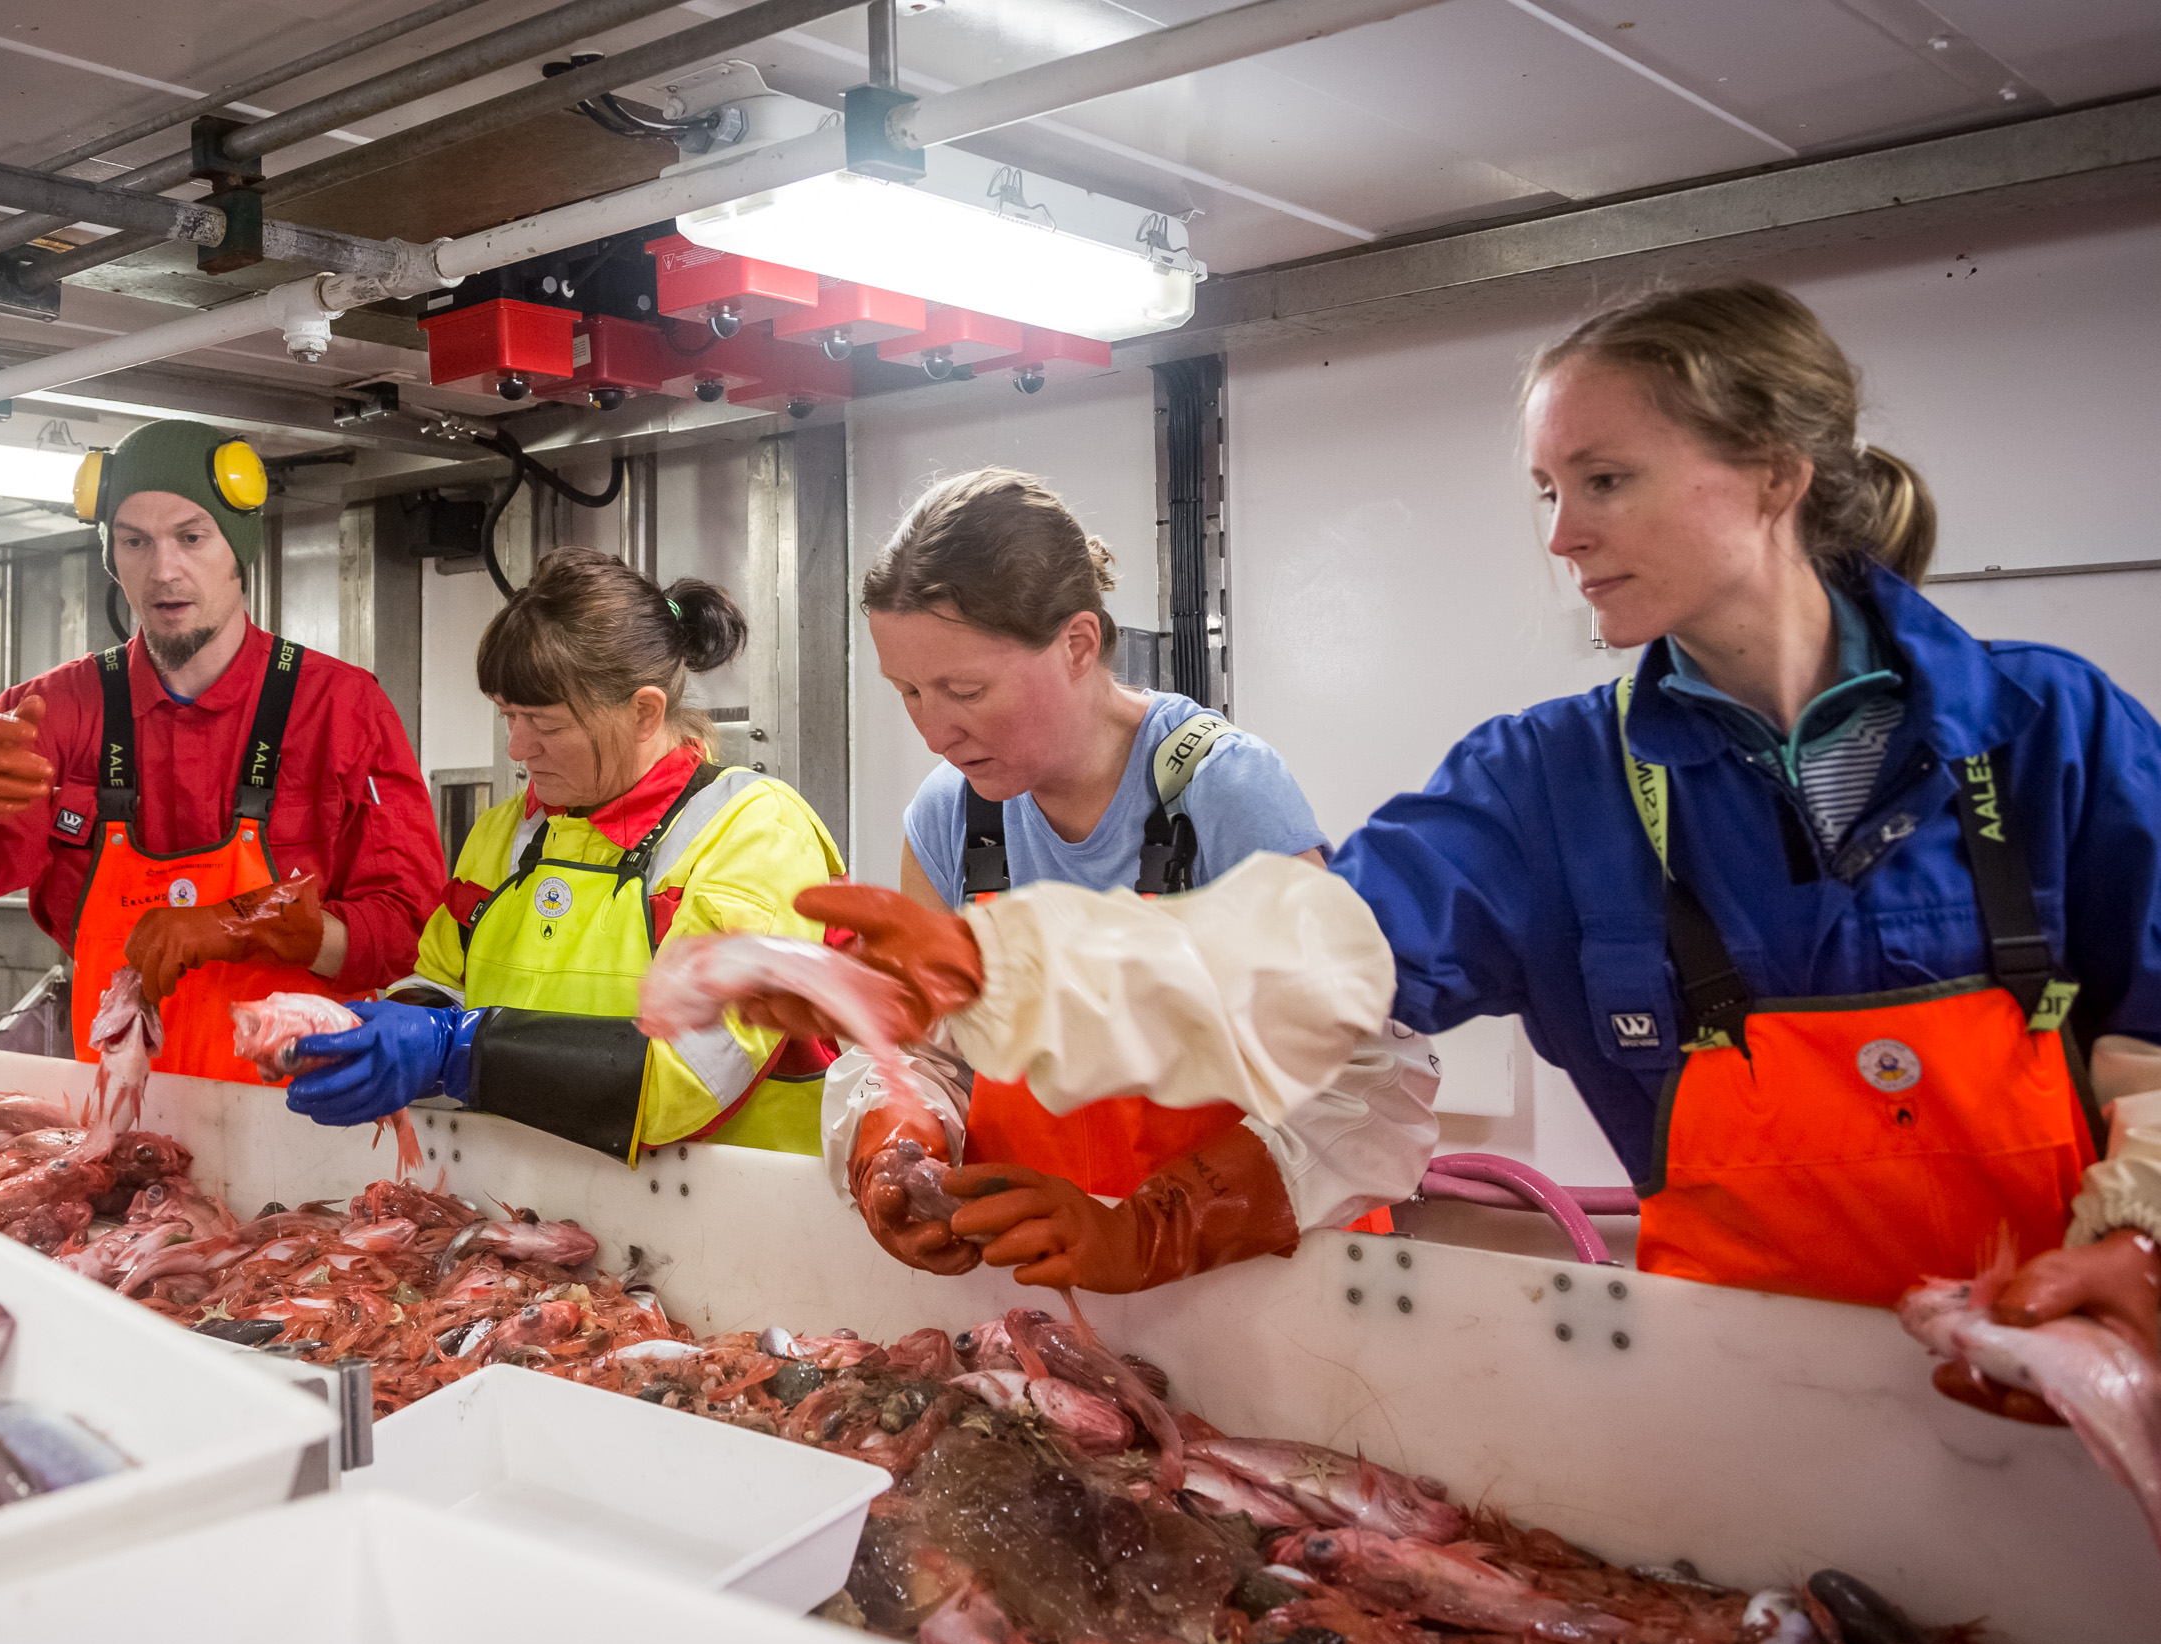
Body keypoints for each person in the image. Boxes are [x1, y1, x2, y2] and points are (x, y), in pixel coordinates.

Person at [806, 282, 2161, 1412]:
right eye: (1548, 489)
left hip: (2047, 1397)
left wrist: (2134, 1247)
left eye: (1606, 480)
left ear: (1775, 477)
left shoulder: (2055, 730)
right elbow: (1327, 954)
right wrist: (1009, 975)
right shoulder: (1547, 784)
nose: (1562, 536)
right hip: (1732, 1406)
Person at [782, 468, 1439, 1286]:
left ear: (1078, 645)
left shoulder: (1221, 791)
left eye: (965, 690)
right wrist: (898, 1144)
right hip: (1036, 1291)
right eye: (908, 692)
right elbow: (921, 1053)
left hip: (1252, 1288)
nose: (933, 730)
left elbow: (1361, 1083)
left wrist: (1149, 1232)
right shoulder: (951, 813)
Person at [0, 420, 443, 1082]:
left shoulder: (341, 708)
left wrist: (250, 927)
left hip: (303, 1125)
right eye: (135, 541)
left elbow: (402, 933)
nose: (164, 570)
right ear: (112, 555)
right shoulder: (56, 710)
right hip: (120, 1123)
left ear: (235, 549)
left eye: (191, 537)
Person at [282, 547, 845, 1160]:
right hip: (537, 1209)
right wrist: (372, 1033)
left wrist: (455, 1049)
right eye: (507, 717)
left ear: (643, 712)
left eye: (545, 726)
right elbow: (446, 982)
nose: (518, 749)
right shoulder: (506, 833)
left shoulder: (755, 831)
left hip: (731, 1224)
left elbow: (689, 1078)